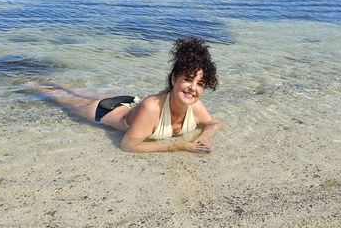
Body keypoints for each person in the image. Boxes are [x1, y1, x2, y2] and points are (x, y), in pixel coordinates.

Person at [25, 36, 221, 153]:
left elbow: (214, 123)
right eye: (187, 79)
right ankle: (26, 81)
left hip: (128, 102)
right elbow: (128, 145)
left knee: (79, 91)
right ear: (173, 79)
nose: (192, 88)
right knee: (56, 96)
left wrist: (204, 138)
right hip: (103, 111)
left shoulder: (194, 106)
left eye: (199, 84)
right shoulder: (152, 107)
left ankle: (50, 78)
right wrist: (180, 147)